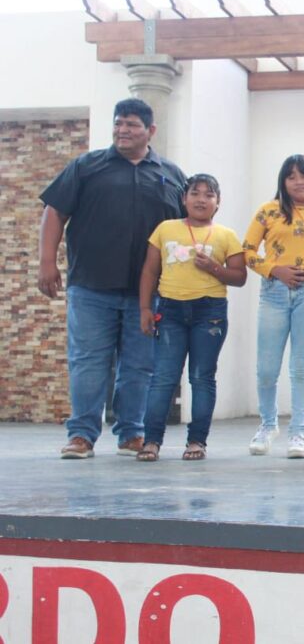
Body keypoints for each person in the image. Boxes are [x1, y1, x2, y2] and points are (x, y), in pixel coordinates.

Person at [38, 98, 187, 459]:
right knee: (88, 360)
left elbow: (186, 228)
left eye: (132, 124)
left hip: (148, 293)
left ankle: (131, 433)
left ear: (151, 131)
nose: (123, 130)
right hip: (91, 285)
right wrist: (46, 261)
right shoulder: (86, 167)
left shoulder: (171, 174)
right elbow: (55, 211)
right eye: (118, 123)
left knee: (140, 364)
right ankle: (81, 435)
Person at [136, 174, 246, 461]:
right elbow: (150, 270)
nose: (201, 200)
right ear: (183, 199)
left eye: (209, 195)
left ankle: (197, 441)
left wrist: (214, 268)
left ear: (218, 203)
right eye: (195, 193)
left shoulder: (226, 235)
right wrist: (145, 308)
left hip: (210, 313)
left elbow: (240, 277)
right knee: (163, 377)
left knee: (201, 377)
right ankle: (151, 441)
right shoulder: (165, 228)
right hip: (170, 310)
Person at [243, 155, 304, 459]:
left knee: (301, 368)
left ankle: (298, 433)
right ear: (283, 181)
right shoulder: (268, 211)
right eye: (291, 176)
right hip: (275, 293)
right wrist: (274, 270)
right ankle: (268, 426)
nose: (299, 182)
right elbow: (247, 251)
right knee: (267, 368)